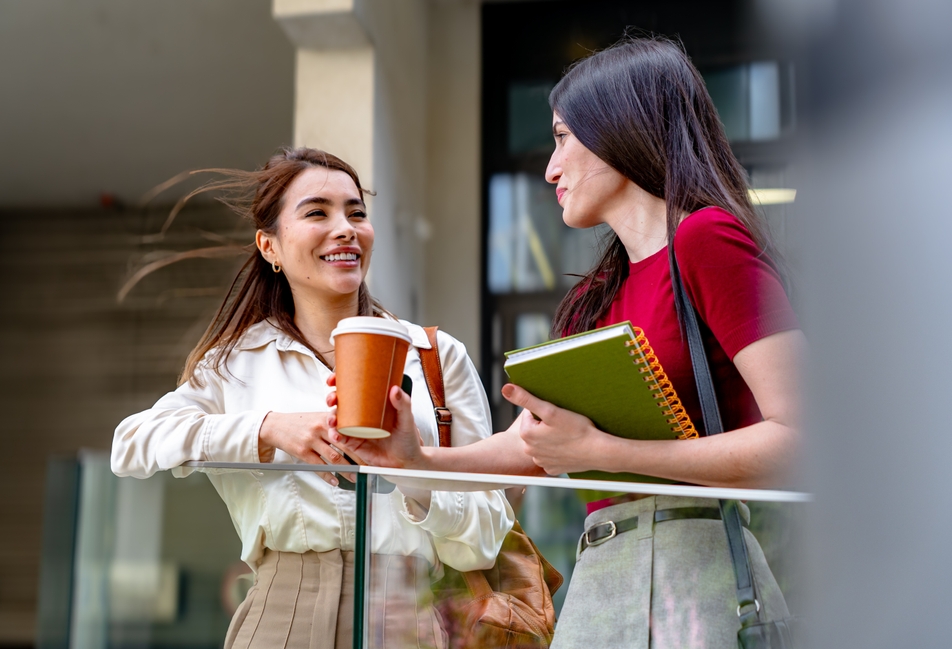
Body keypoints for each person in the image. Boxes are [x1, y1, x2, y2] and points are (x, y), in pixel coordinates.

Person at [329, 38, 804, 648]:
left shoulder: (707, 240)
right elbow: (533, 446)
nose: (550, 168)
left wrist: (607, 449)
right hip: (603, 572)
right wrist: (416, 460)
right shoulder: (598, 295)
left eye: (561, 137)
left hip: (694, 568)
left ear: (620, 129)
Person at [110, 148, 513, 649]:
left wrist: (412, 474)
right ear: (269, 246)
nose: (345, 228)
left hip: (408, 615)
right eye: (317, 212)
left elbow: (488, 532)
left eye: (356, 212)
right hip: (282, 614)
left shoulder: (434, 355)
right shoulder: (235, 364)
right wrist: (268, 428)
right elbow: (130, 445)